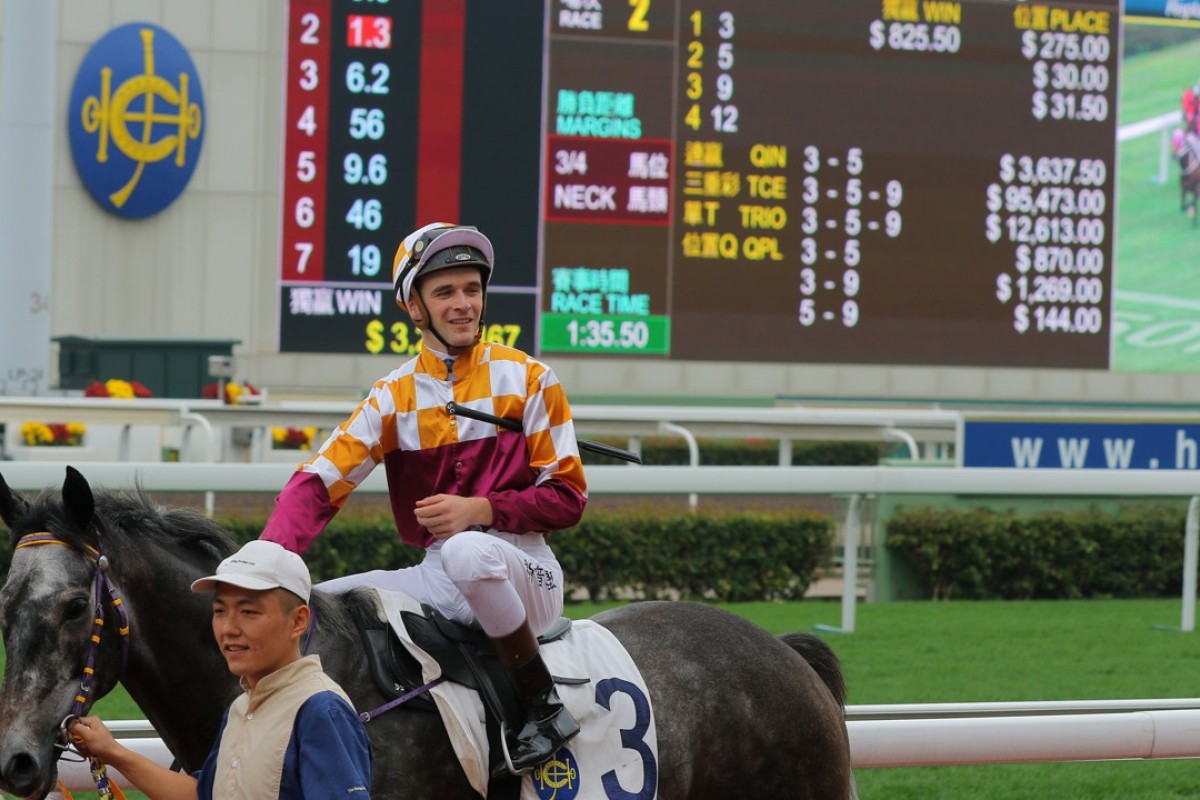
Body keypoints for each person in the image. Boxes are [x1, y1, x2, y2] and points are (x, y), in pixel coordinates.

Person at [259, 222, 588, 775]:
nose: (463, 304)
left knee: (466, 550)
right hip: (437, 576)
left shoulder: (531, 378)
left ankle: (543, 706)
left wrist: (481, 511)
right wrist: (263, 567)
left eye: (471, 290)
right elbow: (318, 484)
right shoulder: (393, 396)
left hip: (526, 568)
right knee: (307, 612)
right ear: (415, 306)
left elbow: (568, 498)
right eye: (445, 292)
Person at [69, 540, 373, 799]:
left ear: (298, 621)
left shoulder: (321, 710)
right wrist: (111, 752)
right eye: (219, 611)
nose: (229, 629)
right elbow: (201, 794)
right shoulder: (241, 707)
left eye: (248, 612)